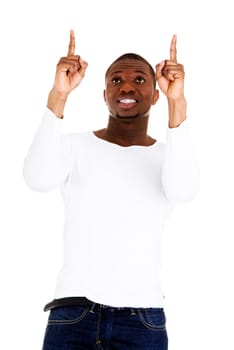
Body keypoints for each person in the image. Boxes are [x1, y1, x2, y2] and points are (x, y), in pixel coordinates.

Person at [23, 30, 199, 350]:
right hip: (74, 313)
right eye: (116, 81)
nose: (127, 86)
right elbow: (37, 179)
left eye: (140, 80)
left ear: (155, 93)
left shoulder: (168, 156)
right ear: (105, 95)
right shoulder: (74, 146)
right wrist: (59, 94)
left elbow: (184, 190)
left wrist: (178, 101)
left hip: (141, 318)